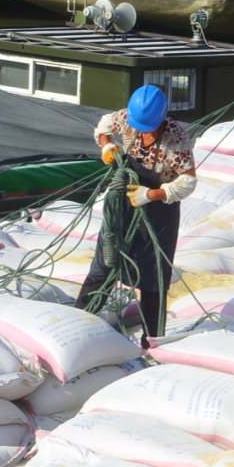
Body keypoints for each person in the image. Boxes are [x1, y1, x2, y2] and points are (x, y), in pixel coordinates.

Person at [74, 85, 197, 340]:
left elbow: (188, 182)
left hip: (159, 210)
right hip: (125, 200)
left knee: (153, 276)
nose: (141, 130)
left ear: (162, 118)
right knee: (105, 261)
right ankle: (78, 321)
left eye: (148, 125)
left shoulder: (177, 139)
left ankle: (152, 340)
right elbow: (105, 125)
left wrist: (151, 194)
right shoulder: (128, 120)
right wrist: (107, 146)